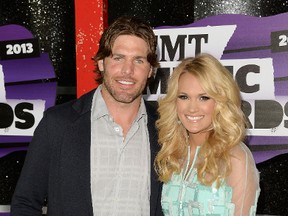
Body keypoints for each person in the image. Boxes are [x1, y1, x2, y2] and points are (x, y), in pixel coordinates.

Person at [11, 16, 163, 216]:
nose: (127, 70)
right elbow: (25, 203)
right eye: (118, 58)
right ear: (101, 62)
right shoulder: (57, 124)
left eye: (139, 60)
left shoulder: (165, 128)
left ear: (150, 69)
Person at [154, 53, 260, 216]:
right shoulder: (173, 154)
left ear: (220, 101)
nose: (192, 108)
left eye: (203, 98)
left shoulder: (235, 158)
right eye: (184, 97)